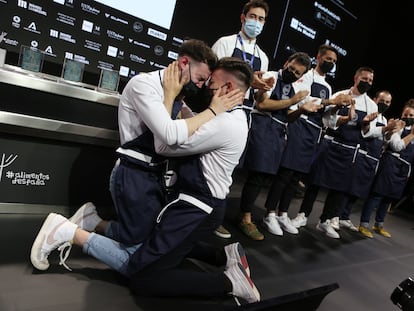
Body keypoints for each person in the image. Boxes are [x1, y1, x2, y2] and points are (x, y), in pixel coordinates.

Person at [30, 57, 262, 303]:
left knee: (143, 271)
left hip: (196, 207)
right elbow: (191, 125)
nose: (203, 87)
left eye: (210, 84)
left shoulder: (224, 121)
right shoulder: (224, 115)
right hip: (179, 196)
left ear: (227, 89)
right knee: (151, 242)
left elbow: (165, 142)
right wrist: (183, 103)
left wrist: (172, 96)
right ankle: (224, 257)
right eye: (202, 80)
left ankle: (229, 280)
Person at [98, 39, 242, 247]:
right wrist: (213, 111)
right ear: (184, 63)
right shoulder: (144, 85)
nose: (201, 86)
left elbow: (193, 128)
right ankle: (74, 229)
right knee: (135, 241)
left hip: (154, 174)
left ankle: (92, 221)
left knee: (148, 236)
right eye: (200, 79)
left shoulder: (177, 94)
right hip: (133, 173)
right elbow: (167, 136)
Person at [262, 44, 352, 234]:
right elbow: (301, 100)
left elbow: (328, 118)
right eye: (328, 59)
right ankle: (269, 213)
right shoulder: (305, 76)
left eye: (334, 62)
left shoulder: (327, 86)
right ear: (318, 57)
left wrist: (335, 108)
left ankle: (282, 213)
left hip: (314, 133)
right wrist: (330, 102)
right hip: (298, 127)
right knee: (285, 174)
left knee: (295, 178)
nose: (331, 63)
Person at [211, 0, 271, 239]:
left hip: (243, 114)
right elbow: (212, 78)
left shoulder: (262, 57)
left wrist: (263, 88)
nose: (257, 22)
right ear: (243, 17)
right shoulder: (225, 43)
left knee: (229, 169)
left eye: (262, 19)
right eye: (253, 17)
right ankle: (205, 216)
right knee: (210, 165)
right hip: (220, 107)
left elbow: (258, 97)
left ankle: (216, 217)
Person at [237, 51, 312, 240]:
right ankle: (245, 218)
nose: (292, 73)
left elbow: (289, 116)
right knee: (256, 175)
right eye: (291, 68)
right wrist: (293, 102)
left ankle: (246, 214)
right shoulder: (270, 76)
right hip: (261, 127)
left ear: (301, 77)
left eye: (297, 73)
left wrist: (301, 109)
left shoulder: (293, 89)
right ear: (286, 63)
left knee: (262, 178)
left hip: (277, 133)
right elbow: (262, 105)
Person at [309, 67, 382, 239]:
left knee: (338, 189)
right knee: (315, 182)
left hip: (349, 151)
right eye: (365, 79)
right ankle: (303, 215)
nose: (367, 82)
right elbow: (327, 121)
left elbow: (368, 133)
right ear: (356, 77)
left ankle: (324, 221)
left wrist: (364, 123)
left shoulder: (371, 105)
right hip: (331, 144)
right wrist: (343, 115)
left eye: (370, 81)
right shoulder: (340, 94)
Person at [335, 90, 395, 230]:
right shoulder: (370, 114)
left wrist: (390, 132)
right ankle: (335, 216)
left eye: (387, 102)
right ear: (375, 99)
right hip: (361, 154)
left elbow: (384, 141)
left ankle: (345, 216)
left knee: (358, 190)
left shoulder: (384, 120)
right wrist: (386, 129)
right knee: (349, 187)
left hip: (373, 158)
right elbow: (367, 133)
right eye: (382, 101)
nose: (384, 104)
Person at [359, 99, 414, 238]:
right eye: (406, 115)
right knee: (377, 195)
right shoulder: (396, 126)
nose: (407, 118)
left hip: (403, 168)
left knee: (389, 197)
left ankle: (379, 224)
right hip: (390, 162)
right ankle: (364, 224)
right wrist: (411, 134)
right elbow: (396, 146)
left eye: (411, 116)